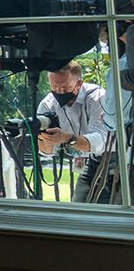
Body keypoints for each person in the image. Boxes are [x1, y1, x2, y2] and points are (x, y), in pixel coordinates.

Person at [34, 62, 115, 203]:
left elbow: (101, 141)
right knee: (79, 208)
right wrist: (41, 137)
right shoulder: (48, 104)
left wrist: (68, 139)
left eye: (65, 88)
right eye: (54, 87)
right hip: (90, 163)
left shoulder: (97, 97)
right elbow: (48, 151)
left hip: (115, 160)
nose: (59, 92)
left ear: (79, 84)